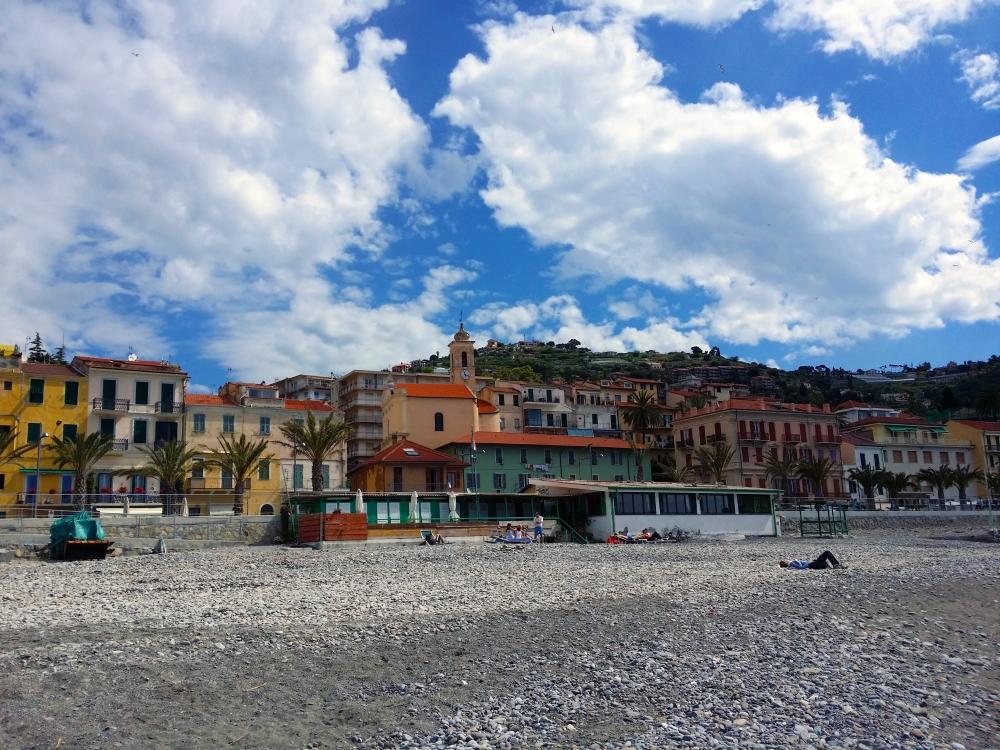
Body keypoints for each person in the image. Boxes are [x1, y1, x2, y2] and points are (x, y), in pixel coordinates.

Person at [780, 550, 845, 570]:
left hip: (813, 564)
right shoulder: (791, 563)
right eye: (785, 560)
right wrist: (808, 563)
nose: (787, 559)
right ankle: (836, 565)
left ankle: (837, 564)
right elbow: (801, 567)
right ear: (785, 562)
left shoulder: (792, 563)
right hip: (812, 565)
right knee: (827, 552)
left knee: (827, 553)